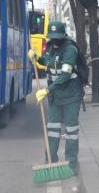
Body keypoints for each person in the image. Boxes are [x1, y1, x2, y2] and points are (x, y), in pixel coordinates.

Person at [28, 21, 83, 174]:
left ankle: (72, 165)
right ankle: (51, 161)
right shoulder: (51, 47)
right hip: (55, 97)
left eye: (57, 37)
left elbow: (65, 75)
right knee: (52, 129)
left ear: (63, 35)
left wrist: (47, 90)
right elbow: (48, 62)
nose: (55, 40)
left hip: (71, 95)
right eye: (52, 37)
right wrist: (37, 58)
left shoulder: (71, 49)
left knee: (71, 130)